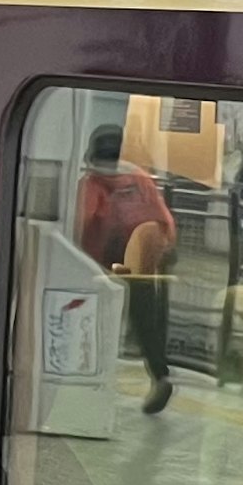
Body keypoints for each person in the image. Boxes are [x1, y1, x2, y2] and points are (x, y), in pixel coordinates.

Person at [74, 122, 177, 414]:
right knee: (147, 322)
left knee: (93, 324)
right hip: (142, 264)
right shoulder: (140, 179)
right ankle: (160, 375)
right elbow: (165, 222)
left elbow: (82, 222)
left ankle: (91, 383)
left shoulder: (92, 183)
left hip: (100, 266)